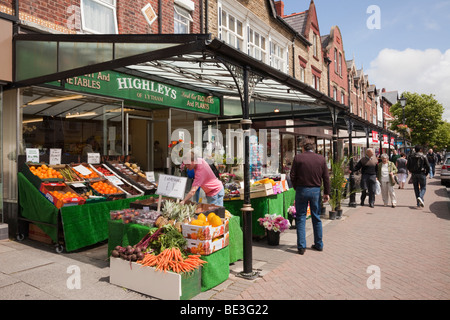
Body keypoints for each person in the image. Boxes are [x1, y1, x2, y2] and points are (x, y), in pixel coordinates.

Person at [290, 138, 330, 255]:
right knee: (316, 217)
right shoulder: (320, 159)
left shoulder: (298, 158)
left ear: (303, 147)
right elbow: (326, 177)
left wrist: (297, 187)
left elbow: (292, 175)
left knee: (301, 217)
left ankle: (301, 247)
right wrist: (327, 192)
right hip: (315, 190)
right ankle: (318, 244)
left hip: (302, 189)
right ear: (313, 147)